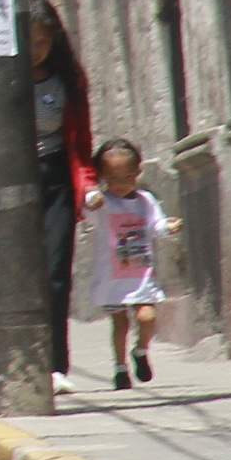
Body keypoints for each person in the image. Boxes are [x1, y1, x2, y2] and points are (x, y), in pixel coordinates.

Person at [29, 0, 95, 393]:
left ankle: (55, 366)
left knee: (55, 273)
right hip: (13, 183)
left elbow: (80, 141)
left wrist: (88, 185)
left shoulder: (67, 80)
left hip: (55, 181)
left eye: (43, 41)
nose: (36, 50)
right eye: (29, 41)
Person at [84, 137, 180, 391]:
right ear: (102, 177)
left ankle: (141, 350)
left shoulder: (145, 201)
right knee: (120, 323)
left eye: (126, 178)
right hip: (112, 277)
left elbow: (156, 225)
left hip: (141, 273)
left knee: (147, 316)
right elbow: (89, 209)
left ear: (137, 173)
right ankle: (120, 368)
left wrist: (168, 227)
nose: (119, 185)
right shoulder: (103, 202)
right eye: (112, 179)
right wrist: (93, 199)